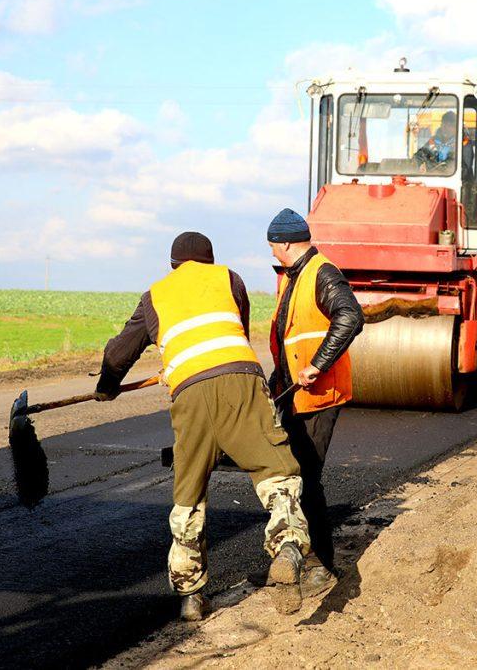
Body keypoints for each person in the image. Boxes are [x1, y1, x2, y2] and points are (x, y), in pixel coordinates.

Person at [94, 231, 311, 621]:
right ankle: (289, 548)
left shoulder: (155, 295)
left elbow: (118, 353)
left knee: (189, 492)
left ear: (173, 265)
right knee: (277, 470)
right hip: (241, 380)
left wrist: (107, 388)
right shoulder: (229, 279)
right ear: (209, 262)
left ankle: (191, 596)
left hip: (190, 393)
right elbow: (235, 333)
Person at [267, 209, 364, 598]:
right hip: (296, 393)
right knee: (295, 475)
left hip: (320, 393)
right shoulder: (295, 276)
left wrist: (317, 366)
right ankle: (303, 562)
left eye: (273, 245)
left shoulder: (322, 273)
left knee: (307, 478)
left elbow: (351, 316)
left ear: (288, 242)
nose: (272, 252)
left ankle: (321, 565)